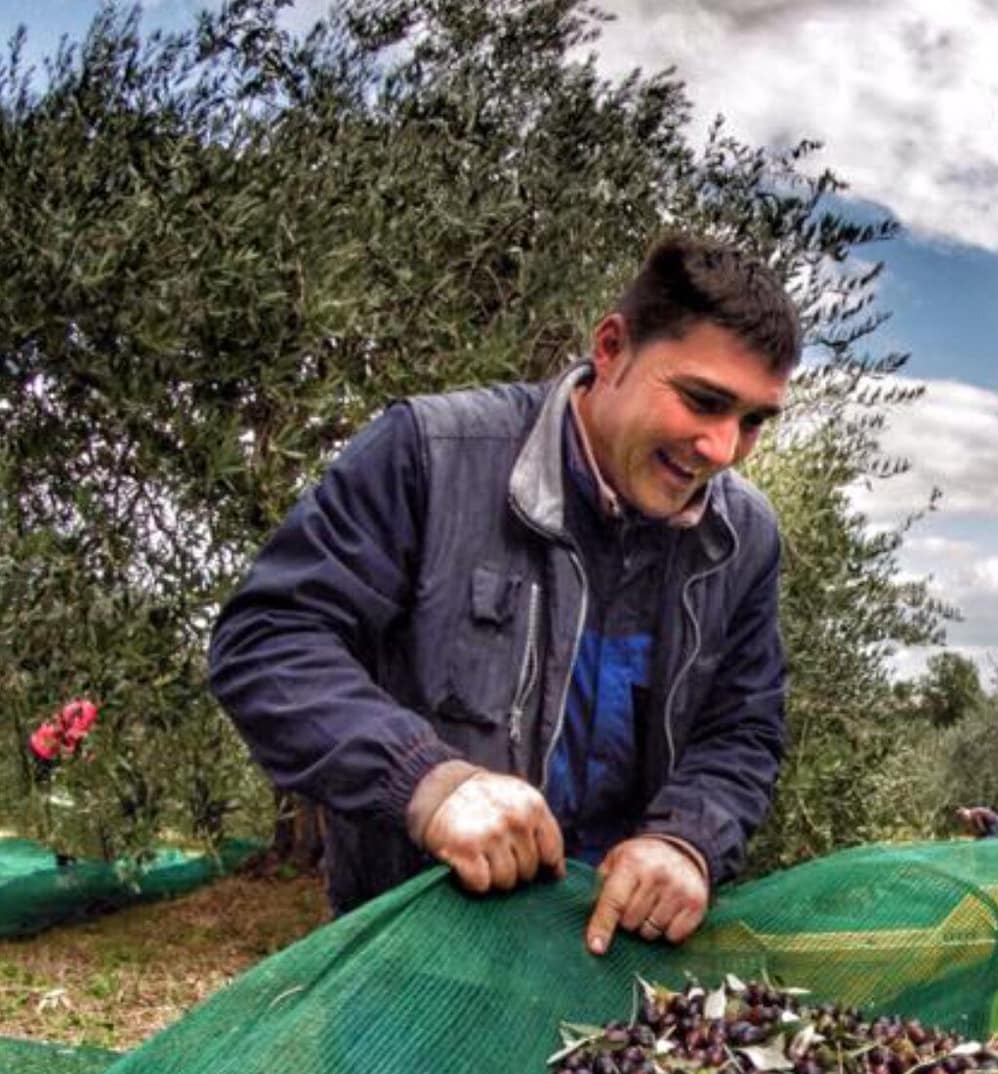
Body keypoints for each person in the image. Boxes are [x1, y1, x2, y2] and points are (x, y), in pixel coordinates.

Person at [210, 233, 796, 954]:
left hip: (610, 964)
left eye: (753, 421)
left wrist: (687, 841)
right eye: (702, 401)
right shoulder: (430, 453)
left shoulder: (744, 539)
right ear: (611, 348)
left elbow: (742, 728)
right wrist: (429, 783)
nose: (722, 448)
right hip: (410, 961)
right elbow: (268, 639)